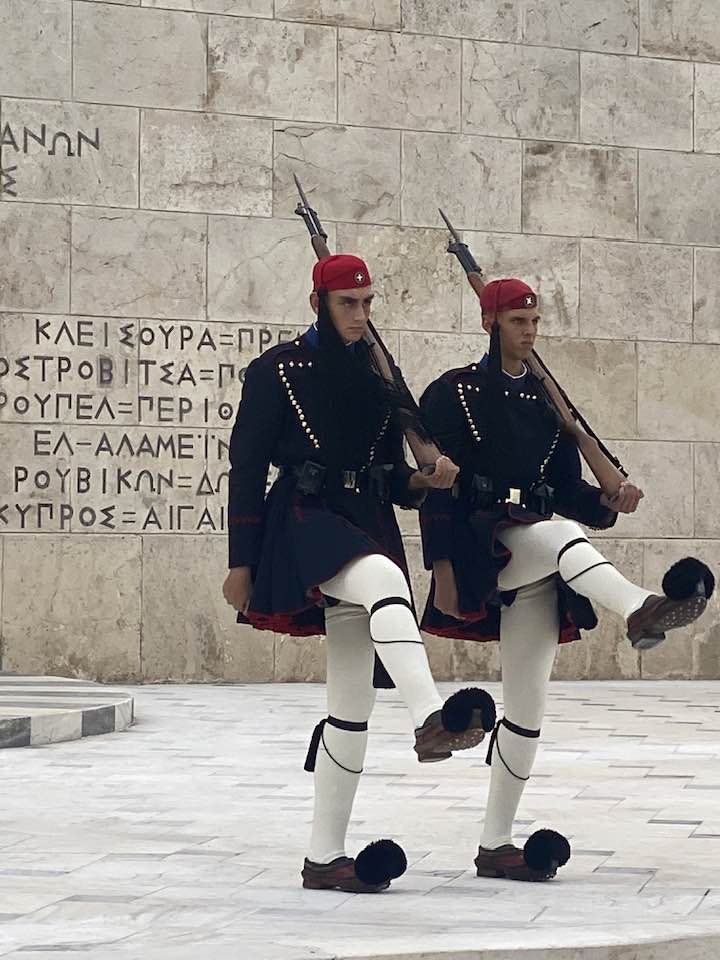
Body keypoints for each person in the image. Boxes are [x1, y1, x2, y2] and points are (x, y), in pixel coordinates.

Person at [419, 277, 715, 882]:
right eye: (516, 322)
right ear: (489, 324)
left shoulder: (545, 404)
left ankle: (495, 845)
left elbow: (566, 492)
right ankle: (639, 609)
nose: (528, 332)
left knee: (527, 709)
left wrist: (613, 497)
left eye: (533, 322)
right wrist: (441, 569)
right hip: (484, 546)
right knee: (560, 537)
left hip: (537, 563)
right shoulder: (454, 392)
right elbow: (438, 495)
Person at [223, 254, 496, 893]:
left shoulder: (378, 380)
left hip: (365, 513)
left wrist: (422, 481)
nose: (361, 315)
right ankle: (430, 715)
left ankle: (324, 857)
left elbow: (389, 474)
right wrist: (240, 561)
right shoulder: (276, 371)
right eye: (350, 304)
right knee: (381, 581)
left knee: (350, 705)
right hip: (305, 515)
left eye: (369, 304)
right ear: (318, 300)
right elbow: (245, 467)